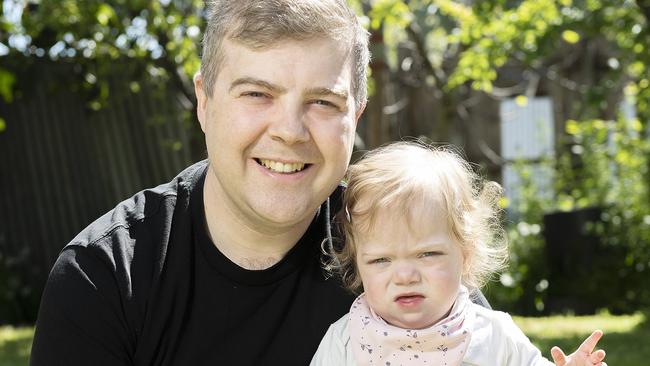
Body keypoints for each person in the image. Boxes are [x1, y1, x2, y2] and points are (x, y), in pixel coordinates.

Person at [30, 1, 369, 365]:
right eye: (257, 94)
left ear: (356, 116)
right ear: (204, 102)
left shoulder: (400, 254)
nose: (289, 131)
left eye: (323, 101)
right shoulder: (103, 277)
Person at [311, 141, 607, 366]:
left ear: (465, 253)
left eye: (427, 254)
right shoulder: (347, 339)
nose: (404, 275)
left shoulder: (493, 334)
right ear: (357, 265)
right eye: (380, 260)